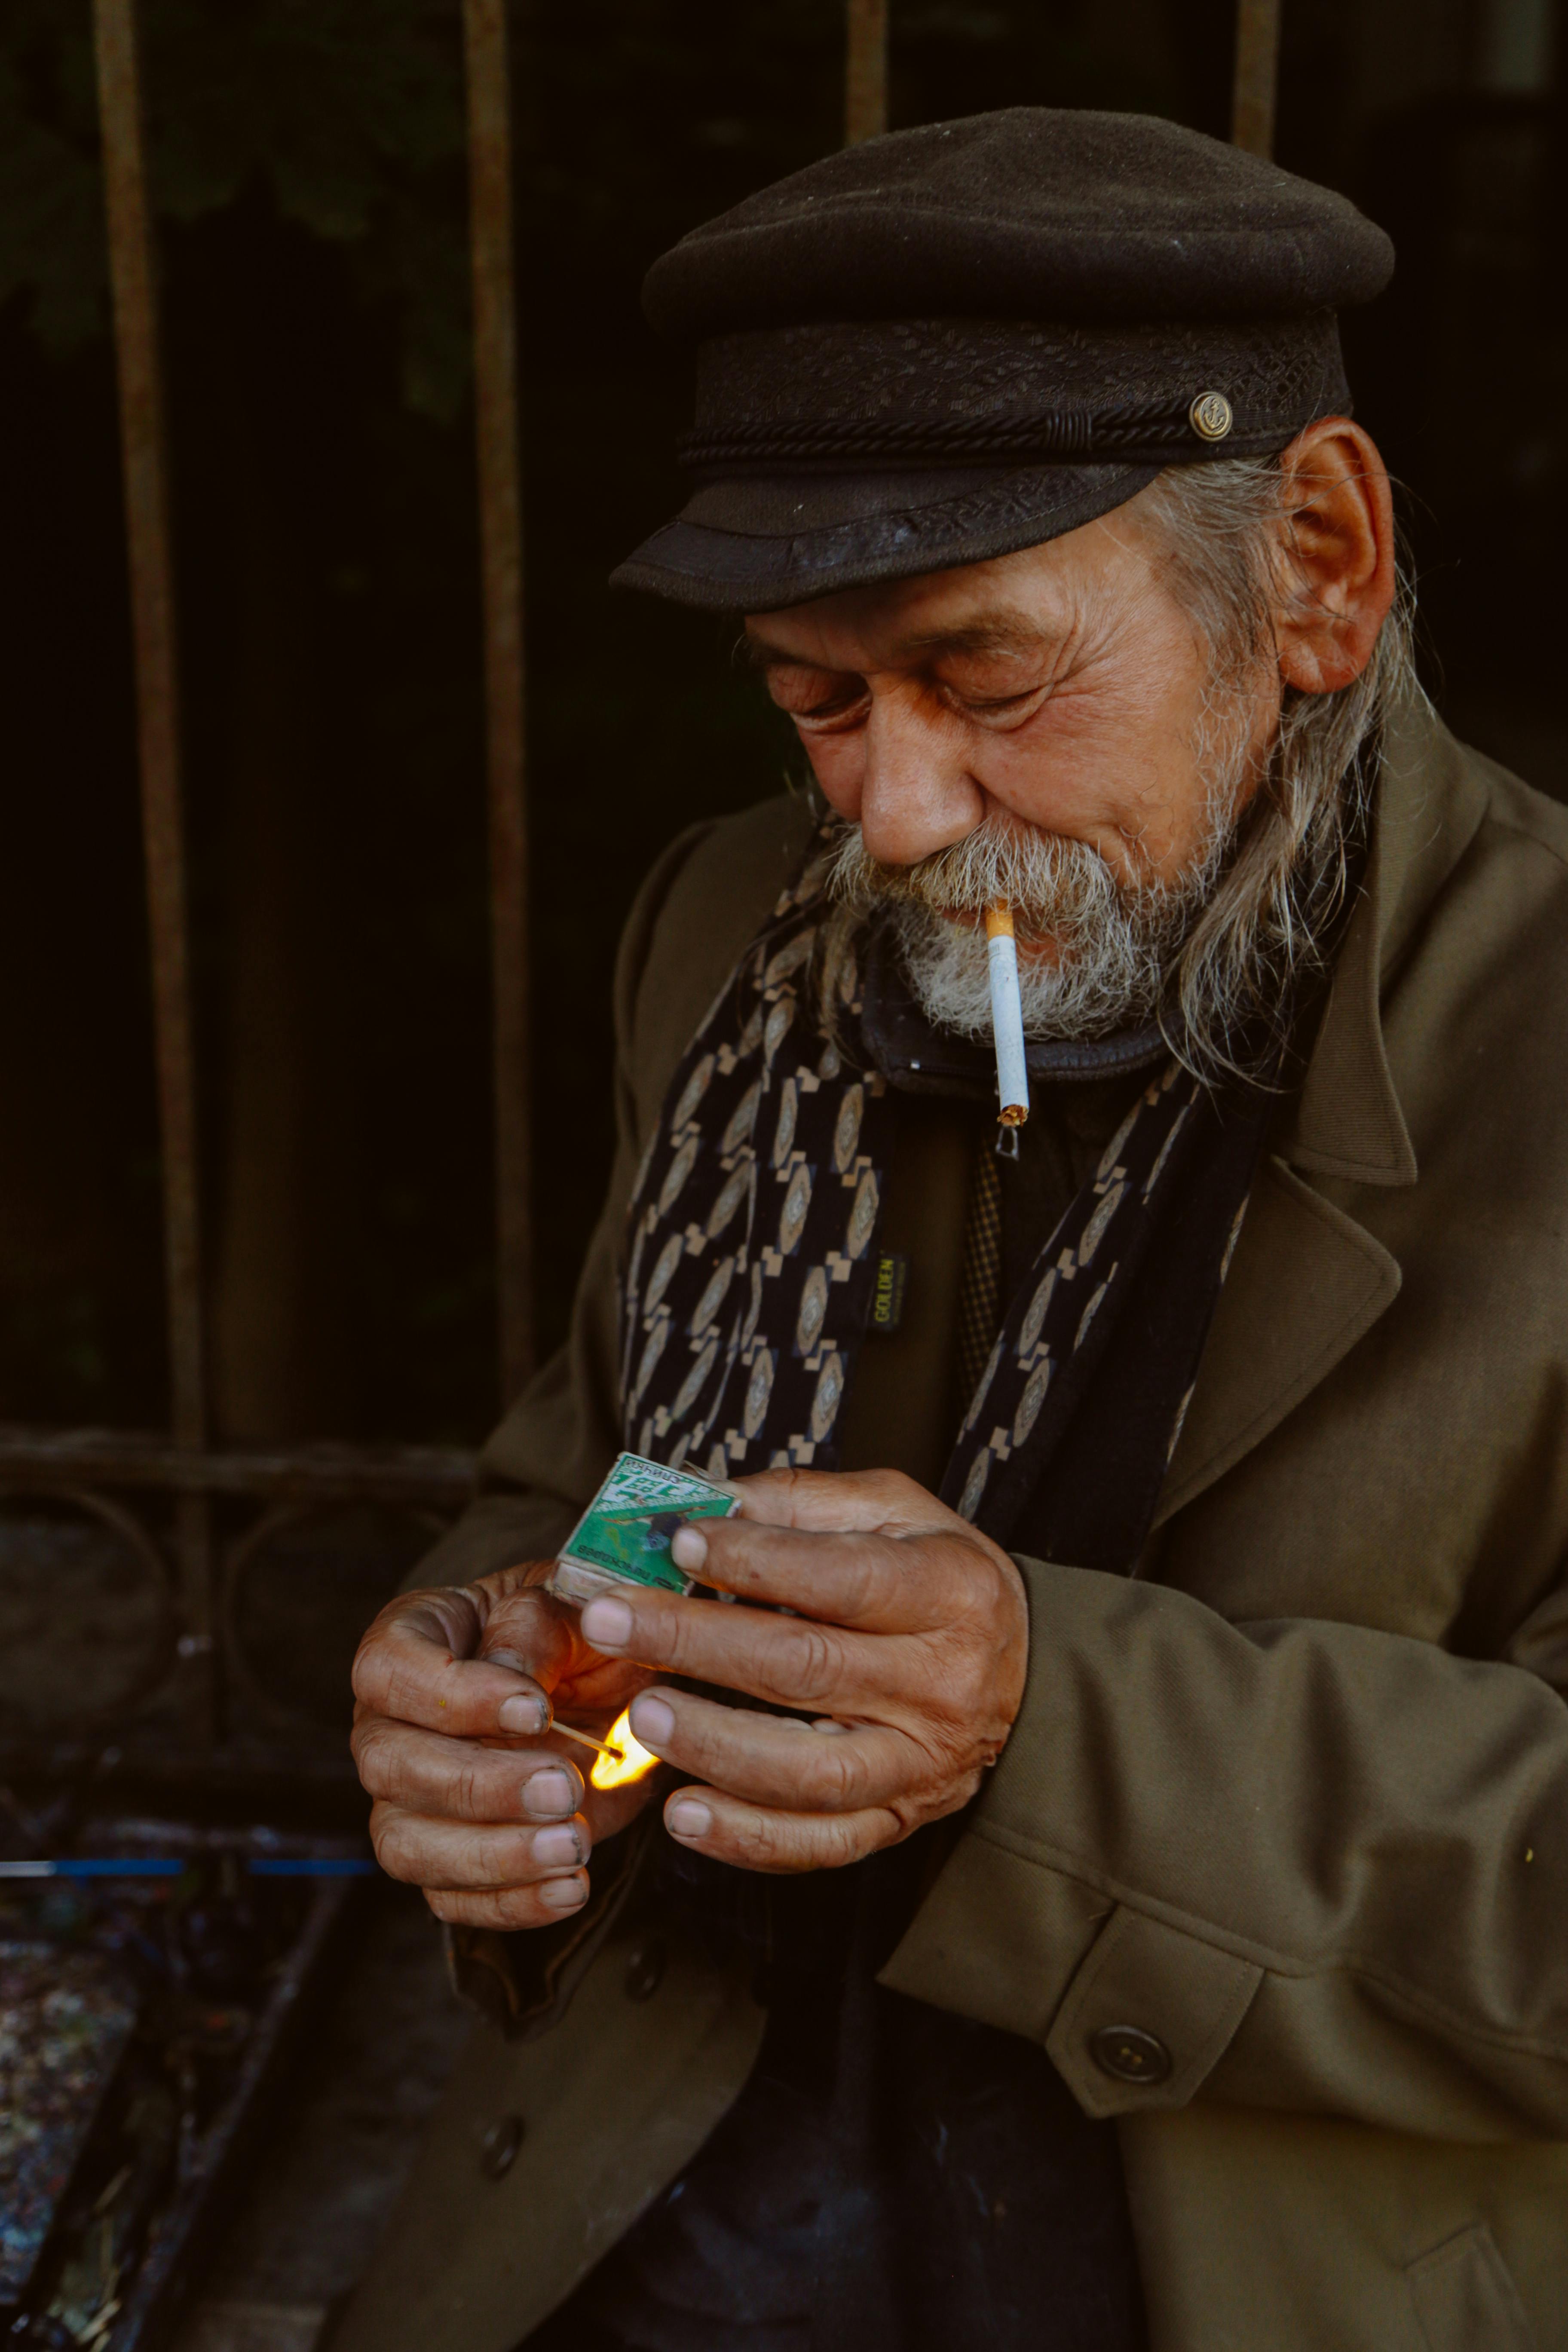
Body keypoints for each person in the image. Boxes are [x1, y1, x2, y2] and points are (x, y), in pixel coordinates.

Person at [335, 110, 1568, 2352]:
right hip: (651, 2202)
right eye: (814, 696)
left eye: (989, 683)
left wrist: (1047, 1720)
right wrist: (484, 1676)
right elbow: (589, 1472)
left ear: (1316, 563)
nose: (892, 816)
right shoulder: (727, 923)